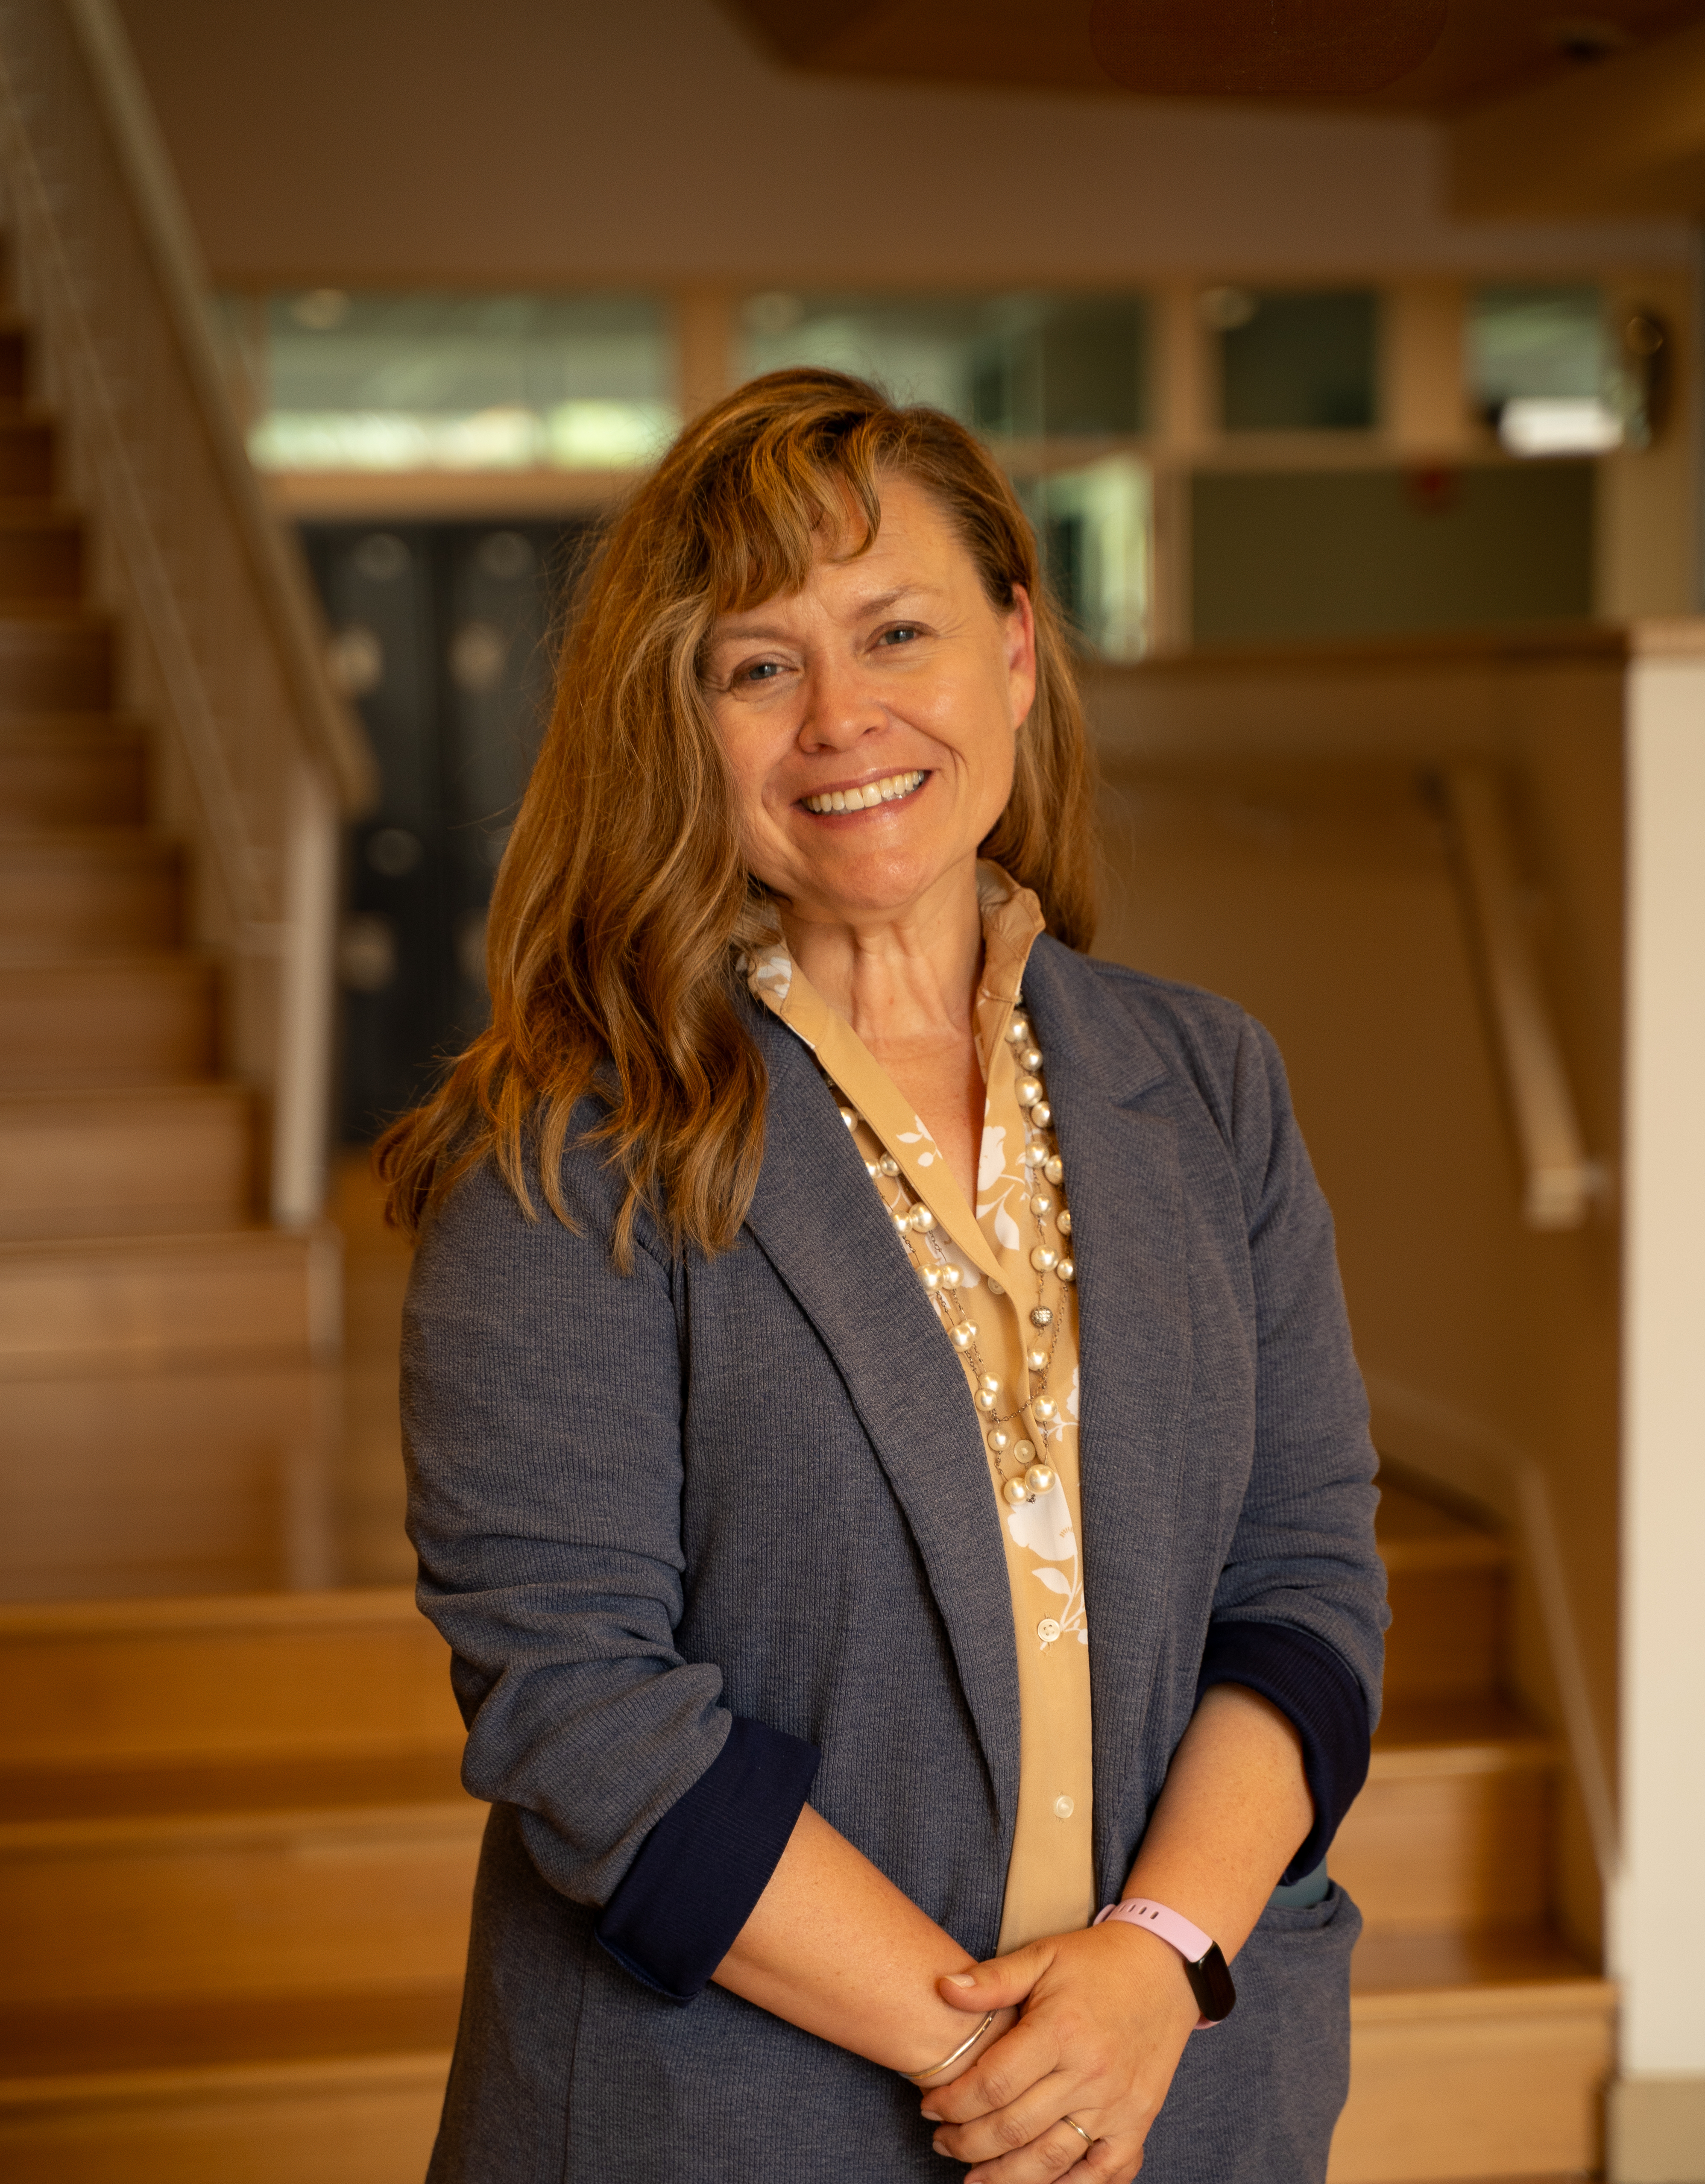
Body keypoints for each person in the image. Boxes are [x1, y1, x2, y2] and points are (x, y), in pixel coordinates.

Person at [381, 367, 1387, 2184]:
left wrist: (1154, 1973)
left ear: (1011, 647)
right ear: (680, 727)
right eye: (756, 665)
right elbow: (578, 1702)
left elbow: (1301, 1579)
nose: (840, 718)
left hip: (1191, 2098)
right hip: (743, 2119)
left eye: (893, 630)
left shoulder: (1207, 1083)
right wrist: (1014, 2068)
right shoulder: (563, 1145)